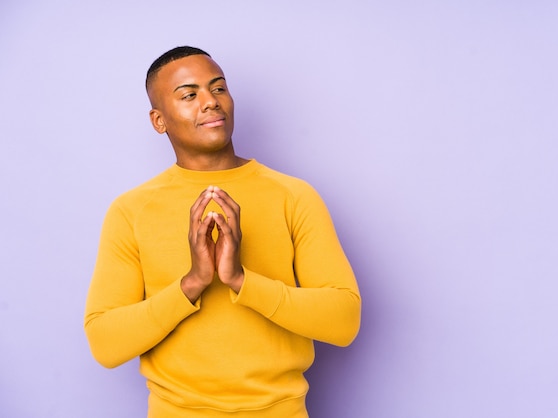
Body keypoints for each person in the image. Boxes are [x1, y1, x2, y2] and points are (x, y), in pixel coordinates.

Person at [84, 46, 361, 418]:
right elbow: (105, 343)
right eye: (189, 94)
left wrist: (240, 280)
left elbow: (344, 321)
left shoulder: (294, 196)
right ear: (158, 119)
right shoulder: (131, 210)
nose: (210, 102)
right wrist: (193, 283)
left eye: (218, 89)